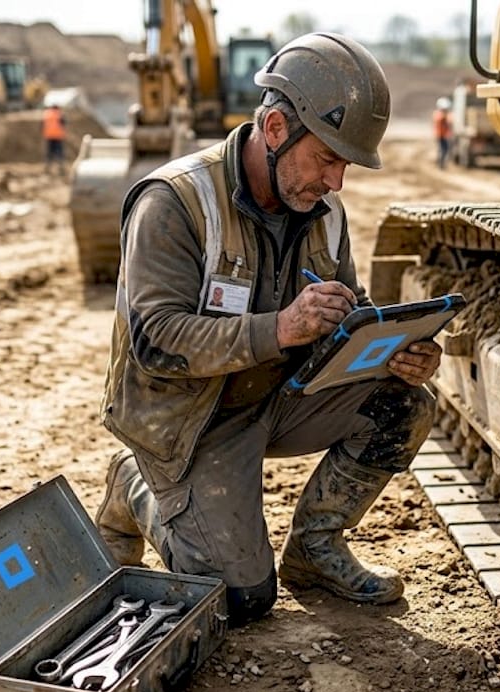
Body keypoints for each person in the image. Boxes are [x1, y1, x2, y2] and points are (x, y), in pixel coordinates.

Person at [95, 32, 441, 626]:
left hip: (276, 396)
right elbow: (155, 341)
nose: (336, 182)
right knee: (238, 599)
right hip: (190, 416)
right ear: (276, 129)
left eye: (345, 165)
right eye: (327, 158)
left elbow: (345, 309)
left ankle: (314, 547)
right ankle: (137, 486)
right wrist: (280, 328)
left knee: (403, 404)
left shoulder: (323, 209)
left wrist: (388, 349)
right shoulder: (175, 202)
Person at [42, 103, 67, 175]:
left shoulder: (46, 114)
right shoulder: (59, 114)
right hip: (58, 136)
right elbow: (63, 124)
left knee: (49, 152)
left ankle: (47, 167)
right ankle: (60, 166)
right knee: (59, 152)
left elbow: (42, 125)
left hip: (49, 136)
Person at [432, 96, 453, 169]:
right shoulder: (438, 114)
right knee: (442, 150)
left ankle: (441, 164)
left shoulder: (444, 115)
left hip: (444, 135)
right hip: (440, 135)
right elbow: (440, 120)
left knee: (445, 150)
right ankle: (440, 164)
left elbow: (449, 122)